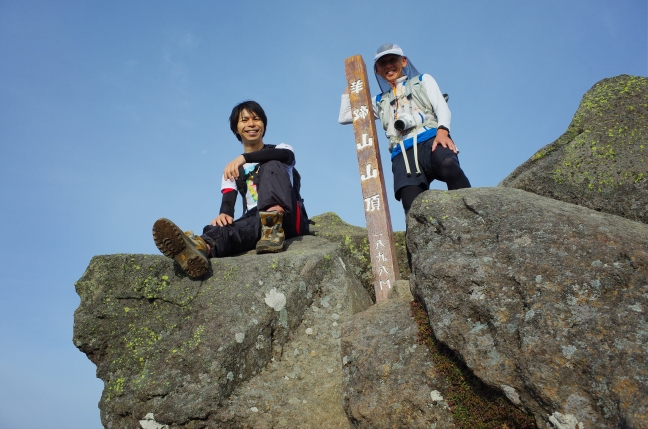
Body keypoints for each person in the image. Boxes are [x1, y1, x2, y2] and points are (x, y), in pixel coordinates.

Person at [152, 100, 309, 278]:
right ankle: (198, 249)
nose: (251, 124)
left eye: (256, 119)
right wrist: (223, 216)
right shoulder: (232, 169)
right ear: (236, 128)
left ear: (263, 125)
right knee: (224, 228)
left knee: (271, 164)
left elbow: (285, 156)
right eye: (245, 120)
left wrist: (244, 157)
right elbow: (228, 202)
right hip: (257, 221)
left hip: (288, 218)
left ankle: (273, 227)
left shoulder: (281, 149)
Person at [338, 43, 471, 216]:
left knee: (449, 166)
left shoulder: (423, 81)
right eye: (382, 63)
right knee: (411, 204)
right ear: (376, 70)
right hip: (401, 152)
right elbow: (345, 117)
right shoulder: (379, 101)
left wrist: (443, 131)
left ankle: (470, 216)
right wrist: (353, 80)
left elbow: (441, 107)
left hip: (432, 138)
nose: (388, 66)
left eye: (393, 60)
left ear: (404, 61)